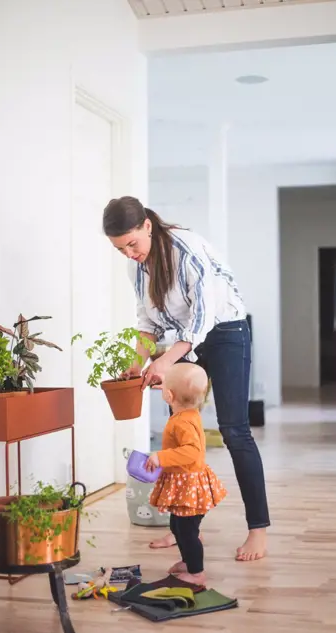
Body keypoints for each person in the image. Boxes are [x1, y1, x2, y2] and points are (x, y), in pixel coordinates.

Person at [103, 196, 270, 561]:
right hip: (184, 340)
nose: (128, 253)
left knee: (234, 431)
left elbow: (202, 319)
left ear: (148, 225)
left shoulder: (186, 249)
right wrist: (138, 363)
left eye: (132, 243)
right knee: (180, 433)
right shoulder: (137, 268)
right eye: (120, 249)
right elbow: (147, 322)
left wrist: (165, 363)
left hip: (225, 333)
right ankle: (185, 529)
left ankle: (258, 529)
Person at [145, 362, 226, 585]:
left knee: (187, 531)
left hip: (189, 486)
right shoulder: (189, 413)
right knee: (177, 527)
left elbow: (191, 452)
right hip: (185, 483)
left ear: (169, 395)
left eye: (164, 388)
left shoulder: (183, 422)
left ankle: (197, 572)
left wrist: (160, 457)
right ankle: (187, 561)